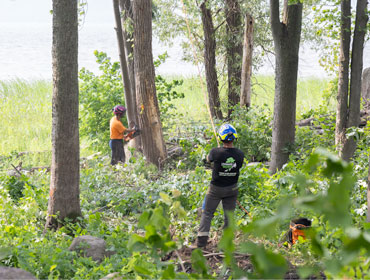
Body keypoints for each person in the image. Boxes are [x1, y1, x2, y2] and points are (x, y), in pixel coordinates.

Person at [196, 124, 245, 248]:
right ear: (235, 138)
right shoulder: (240, 154)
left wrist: (218, 152)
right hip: (232, 189)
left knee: (207, 213)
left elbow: (208, 159)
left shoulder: (215, 152)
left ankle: (201, 243)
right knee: (229, 215)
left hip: (215, 190)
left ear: (220, 138)